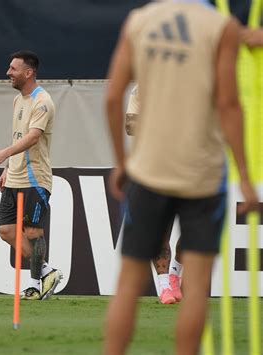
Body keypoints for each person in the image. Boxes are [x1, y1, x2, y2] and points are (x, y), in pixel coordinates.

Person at [104, 0, 259, 354]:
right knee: (196, 287)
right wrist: (246, 177)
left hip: (148, 171)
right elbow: (229, 104)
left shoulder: (139, 21)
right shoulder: (220, 26)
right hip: (202, 173)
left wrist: (121, 162)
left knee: (128, 284)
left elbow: (113, 97)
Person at [0, 50, 62, 300]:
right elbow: (18, 135)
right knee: (6, 230)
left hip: (35, 178)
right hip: (15, 176)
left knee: (32, 232)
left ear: (28, 73)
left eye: (13, 69)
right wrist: (8, 167)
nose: (8, 73)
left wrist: (4, 153)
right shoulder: (18, 100)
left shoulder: (43, 101)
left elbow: (33, 137)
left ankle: (34, 284)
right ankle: (47, 271)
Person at [126, 86, 183, 305]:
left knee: (193, 234)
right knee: (161, 233)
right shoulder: (141, 89)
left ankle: (174, 273)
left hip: (189, 168)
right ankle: (164, 287)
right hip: (155, 169)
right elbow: (130, 125)